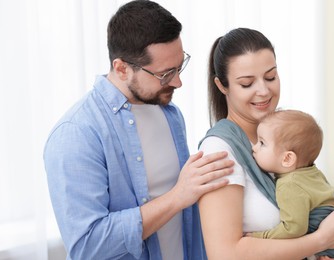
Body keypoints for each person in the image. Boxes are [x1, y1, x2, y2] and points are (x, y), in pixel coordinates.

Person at [43, 1, 234, 259]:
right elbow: (88, 247)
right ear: (122, 68)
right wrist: (178, 196)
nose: (178, 81)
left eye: (179, 67)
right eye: (166, 74)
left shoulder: (170, 113)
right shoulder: (76, 134)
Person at [198, 27, 334, 260]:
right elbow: (224, 254)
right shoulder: (219, 151)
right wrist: (320, 240)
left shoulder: (281, 135)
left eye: (270, 77)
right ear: (222, 86)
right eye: (247, 83)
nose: (263, 91)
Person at [249, 109, 334, 259]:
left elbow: (293, 229)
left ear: (287, 159)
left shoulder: (289, 184)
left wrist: (259, 237)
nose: (254, 147)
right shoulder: (312, 172)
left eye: (262, 143)